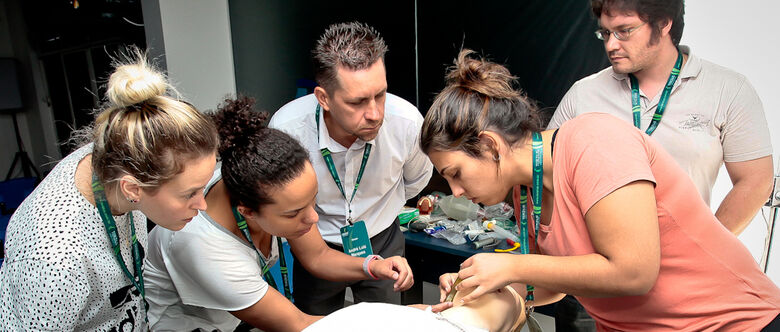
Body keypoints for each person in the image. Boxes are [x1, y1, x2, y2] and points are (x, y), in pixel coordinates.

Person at [425, 49, 780, 331]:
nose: (455, 192)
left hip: (730, 323)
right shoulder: (525, 193)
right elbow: (555, 281)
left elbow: (634, 272)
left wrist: (511, 267)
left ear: (490, 146)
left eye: (455, 173)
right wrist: (476, 285)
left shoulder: (593, 141)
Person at [144, 96, 414, 332]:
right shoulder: (201, 246)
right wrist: (406, 320)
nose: (313, 219)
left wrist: (371, 265)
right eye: (295, 212)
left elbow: (317, 256)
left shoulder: (252, 183)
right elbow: (298, 325)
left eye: (313, 202)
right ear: (247, 211)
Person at [0, 49, 219, 331]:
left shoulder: (118, 156)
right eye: (189, 193)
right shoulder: (55, 260)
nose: (202, 204)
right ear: (132, 188)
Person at [549, 0, 773, 235]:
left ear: (664, 23)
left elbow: (756, 180)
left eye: (624, 31)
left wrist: (706, 248)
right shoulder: (584, 93)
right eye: (605, 33)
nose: (611, 45)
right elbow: (545, 172)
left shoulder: (728, 89)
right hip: (597, 256)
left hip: (684, 258)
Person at [269, 22, 433, 315]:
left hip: (382, 236)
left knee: (384, 321)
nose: (375, 114)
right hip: (314, 238)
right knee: (317, 322)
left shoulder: (408, 124)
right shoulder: (287, 130)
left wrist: (378, 208)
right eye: (357, 102)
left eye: (380, 94)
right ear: (324, 98)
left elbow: (415, 181)